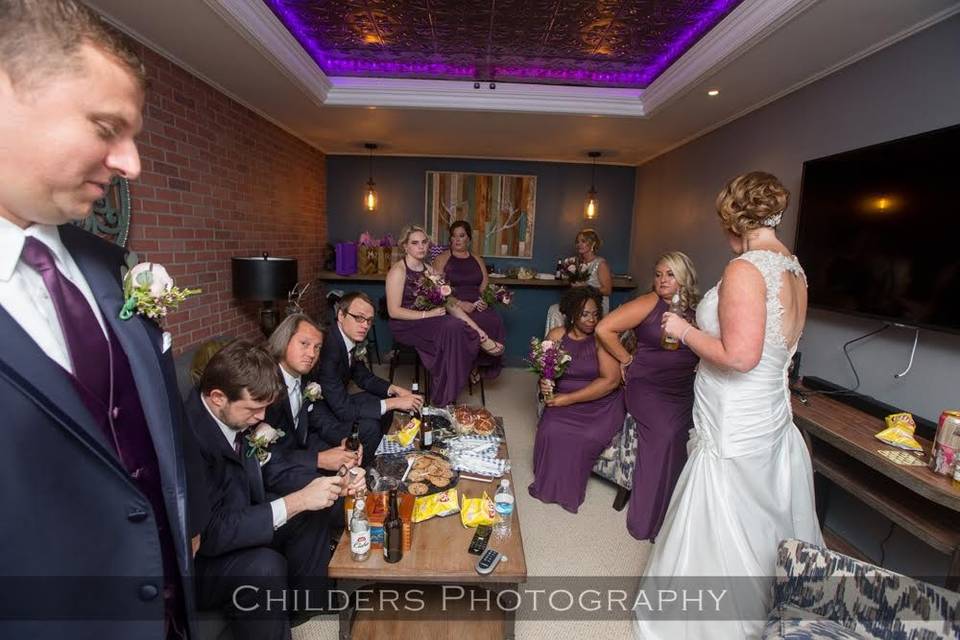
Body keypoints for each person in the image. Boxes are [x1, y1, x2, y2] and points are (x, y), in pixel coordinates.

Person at [0, 2, 200, 637]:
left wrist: (186, 520)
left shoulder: (112, 266)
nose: (130, 164)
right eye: (106, 127)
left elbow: (160, 417)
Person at [634, 172, 823, 639]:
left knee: (726, 507)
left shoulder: (746, 269)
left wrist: (683, 330)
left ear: (733, 219)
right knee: (765, 509)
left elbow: (740, 356)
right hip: (770, 413)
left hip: (737, 415)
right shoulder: (794, 270)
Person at [188, 340, 364, 640]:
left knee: (312, 514)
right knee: (264, 567)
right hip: (201, 561)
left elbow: (271, 472)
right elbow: (211, 534)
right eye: (254, 409)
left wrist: (325, 485)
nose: (261, 419)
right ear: (217, 397)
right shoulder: (191, 439)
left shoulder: (233, 416)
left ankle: (311, 620)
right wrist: (296, 500)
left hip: (241, 513)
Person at [595, 251, 700, 541]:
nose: (662, 280)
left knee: (692, 435)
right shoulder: (648, 303)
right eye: (658, 274)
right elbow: (604, 329)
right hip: (648, 387)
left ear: (684, 277)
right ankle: (648, 521)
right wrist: (626, 360)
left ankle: (676, 517)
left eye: (670, 274)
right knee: (666, 434)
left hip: (683, 389)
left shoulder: (697, 309)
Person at [528, 287, 625, 513]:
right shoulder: (556, 336)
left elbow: (610, 381)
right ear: (572, 314)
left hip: (599, 401)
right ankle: (550, 485)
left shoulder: (602, 339)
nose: (592, 320)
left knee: (584, 436)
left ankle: (568, 490)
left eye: (595, 314)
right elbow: (546, 369)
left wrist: (568, 399)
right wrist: (545, 383)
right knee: (550, 429)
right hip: (562, 396)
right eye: (585, 314)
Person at [386, 225, 500, 406]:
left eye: (424, 242)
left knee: (455, 326)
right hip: (405, 324)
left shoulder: (431, 271)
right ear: (405, 246)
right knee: (451, 328)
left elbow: (450, 304)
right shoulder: (398, 271)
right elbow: (394, 311)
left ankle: (444, 396)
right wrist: (427, 314)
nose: (421, 247)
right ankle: (444, 399)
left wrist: (478, 330)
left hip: (430, 320)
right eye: (415, 243)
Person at [261, 313, 362, 495]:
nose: (312, 354)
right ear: (284, 340)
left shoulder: (304, 376)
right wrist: (318, 459)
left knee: (352, 461)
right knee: (335, 493)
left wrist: (344, 439)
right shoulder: (264, 385)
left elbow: (318, 417)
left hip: (299, 449)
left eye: (317, 347)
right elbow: (266, 456)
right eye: (304, 344)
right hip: (272, 469)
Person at [314, 291, 422, 459]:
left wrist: (394, 390)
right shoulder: (330, 348)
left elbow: (362, 375)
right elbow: (344, 411)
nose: (365, 325)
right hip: (321, 416)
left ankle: (376, 455)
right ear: (341, 315)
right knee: (370, 425)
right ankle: (365, 473)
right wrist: (395, 402)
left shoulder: (346, 339)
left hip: (335, 400)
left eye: (369, 321)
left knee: (380, 401)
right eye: (359, 318)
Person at [433, 220, 506, 380]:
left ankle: (478, 366)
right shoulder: (441, 259)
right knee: (465, 325)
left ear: (469, 239)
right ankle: (467, 365)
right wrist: (459, 304)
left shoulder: (477, 259)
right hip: (453, 304)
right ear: (450, 239)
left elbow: (485, 288)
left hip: (476, 303)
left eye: (462, 236)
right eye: (454, 236)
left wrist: (485, 301)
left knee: (494, 320)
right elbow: (438, 290)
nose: (457, 240)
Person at [545, 228, 613, 333]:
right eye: (578, 242)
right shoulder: (577, 263)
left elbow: (607, 290)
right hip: (579, 302)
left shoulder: (601, 264)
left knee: (559, 311)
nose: (579, 244)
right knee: (554, 310)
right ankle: (554, 344)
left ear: (593, 244)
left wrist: (586, 286)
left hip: (596, 305)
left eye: (583, 241)